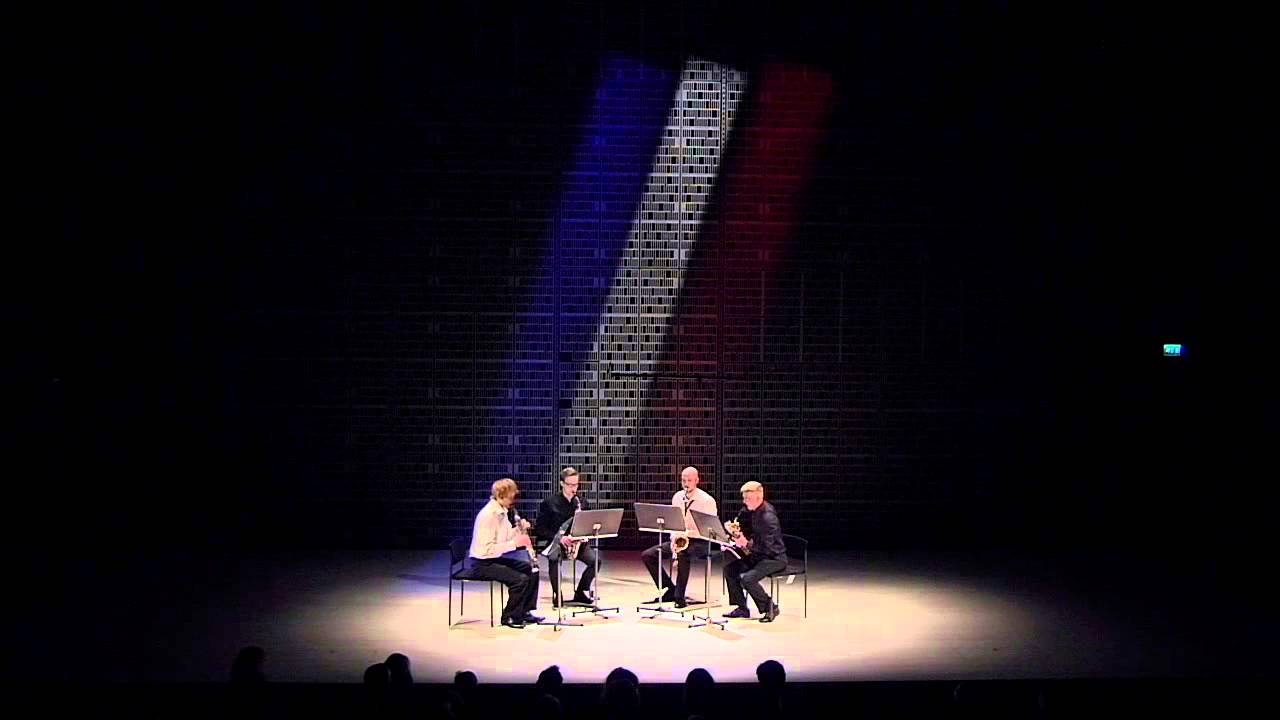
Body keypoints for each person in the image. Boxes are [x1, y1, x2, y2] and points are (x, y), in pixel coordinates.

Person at [468, 478, 542, 628]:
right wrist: (515, 544)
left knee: (531, 569)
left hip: (493, 559)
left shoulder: (502, 511)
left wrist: (519, 529)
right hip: (482, 563)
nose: (513, 501)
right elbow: (487, 549)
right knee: (519, 580)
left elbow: (506, 536)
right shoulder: (489, 515)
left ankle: (524, 611)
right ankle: (510, 617)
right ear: (501, 496)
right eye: (511, 497)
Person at [642, 466, 717, 607]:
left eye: (689, 480)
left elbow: (709, 529)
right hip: (679, 539)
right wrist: (674, 539)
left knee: (683, 554)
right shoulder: (677, 497)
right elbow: (674, 523)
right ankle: (670, 589)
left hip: (699, 541)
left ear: (697, 481)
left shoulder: (707, 500)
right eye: (683, 480)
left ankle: (679, 596)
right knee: (648, 555)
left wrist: (685, 537)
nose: (686, 484)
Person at [536, 467, 600, 607]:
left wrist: (585, 535)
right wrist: (560, 538)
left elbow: (588, 524)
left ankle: (581, 592)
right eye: (570, 485)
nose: (573, 488)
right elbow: (540, 529)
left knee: (595, 561)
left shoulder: (581, 502)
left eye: (576, 485)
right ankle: (557, 594)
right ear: (562, 483)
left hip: (576, 543)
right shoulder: (549, 503)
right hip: (557, 542)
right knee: (554, 559)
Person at [723, 481, 786, 621]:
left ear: (759, 497)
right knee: (730, 570)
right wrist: (735, 533)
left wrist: (746, 544)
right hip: (758, 555)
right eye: (744, 498)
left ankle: (770, 607)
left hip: (774, 558)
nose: (744, 502)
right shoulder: (752, 510)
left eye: (748, 498)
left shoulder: (768, 517)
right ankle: (742, 608)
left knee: (748, 579)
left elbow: (767, 547)